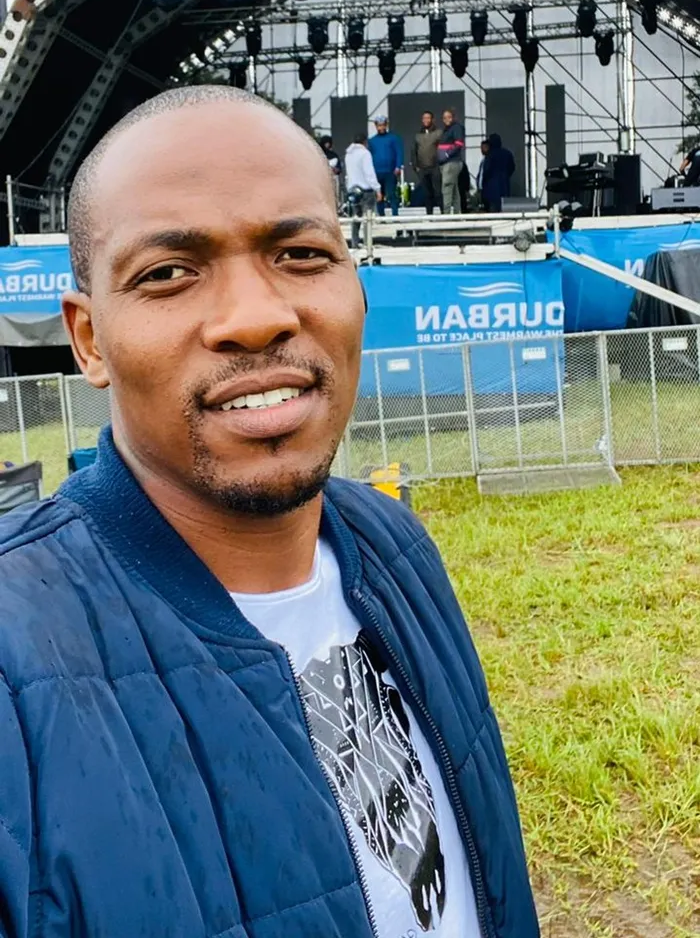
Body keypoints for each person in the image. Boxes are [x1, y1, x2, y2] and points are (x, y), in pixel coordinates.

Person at [0, 86, 539, 938]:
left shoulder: (397, 547)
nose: (256, 318)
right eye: (168, 273)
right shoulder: (15, 658)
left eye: (300, 253)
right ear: (89, 339)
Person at [344, 131, 381, 249]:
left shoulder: (348, 154)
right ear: (365, 142)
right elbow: (369, 173)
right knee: (367, 218)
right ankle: (367, 243)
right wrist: (377, 188)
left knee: (356, 218)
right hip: (366, 190)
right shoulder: (365, 154)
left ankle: (355, 243)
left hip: (353, 190)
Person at [368, 114, 403, 216]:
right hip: (377, 172)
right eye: (379, 125)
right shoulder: (372, 141)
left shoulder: (393, 138)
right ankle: (381, 217)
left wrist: (398, 166)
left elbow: (399, 152)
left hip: (390, 171)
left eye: (383, 125)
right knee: (379, 195)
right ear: (376, 126)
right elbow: (369, 156)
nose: (381, 127)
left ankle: (395, 215)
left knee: (391, 194)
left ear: (386, 125)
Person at [411, 110, 442, 212]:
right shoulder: (417, 135)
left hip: (435, 167)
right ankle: (429, 216)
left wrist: (440, 164)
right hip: (422, 169)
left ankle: (443, 215)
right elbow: (413, 151)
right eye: (424, 118)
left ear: (432, 119)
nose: (426, 120)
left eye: (428, 118)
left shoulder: (438, 133)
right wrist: (415, 166)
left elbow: (442, 148)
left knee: (438, 193)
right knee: (427, 194)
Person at [437, 108, 466, 214]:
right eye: (444, 118)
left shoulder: (456, 128)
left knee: (447, 187)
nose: (447, 120)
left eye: (449, 117)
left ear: (453, 117)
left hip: (452, 162)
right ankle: (457, 213)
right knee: (453, 189)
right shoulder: (447, 130)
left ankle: (446, 214)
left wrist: (446, 154)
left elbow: (459, 144)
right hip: (446, 162)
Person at [481, 132, 516, 213]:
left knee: (493, 212)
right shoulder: (507, 153)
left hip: (491, 188)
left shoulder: (490, 155)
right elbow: (512, 168)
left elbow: (486, 170)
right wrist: (506, 176)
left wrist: (484, 183)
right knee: (505, 211)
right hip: (505, 186)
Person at [319, 134, 342, 206]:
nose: (327, 145)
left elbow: (339, 169)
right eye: (326, 143)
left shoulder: (334, 155)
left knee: (334, 198)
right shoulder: (318, 154)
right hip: (322, 179)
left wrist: (335, 169)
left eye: (328, 143)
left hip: (333, 179)